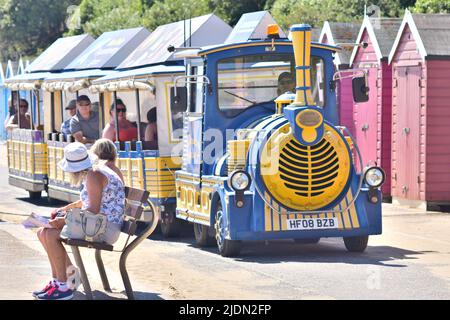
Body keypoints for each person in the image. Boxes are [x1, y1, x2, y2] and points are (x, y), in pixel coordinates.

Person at [33, 139, 125, 300]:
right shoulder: (95, 171)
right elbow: (88, 202)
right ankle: (62, 281)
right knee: (42, 232)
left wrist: (64, 221)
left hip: (105, 228)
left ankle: (64, 286)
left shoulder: (94, 174)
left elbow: (93, 210)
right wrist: (65, 210)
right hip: (99, 224)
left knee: (50, 234)